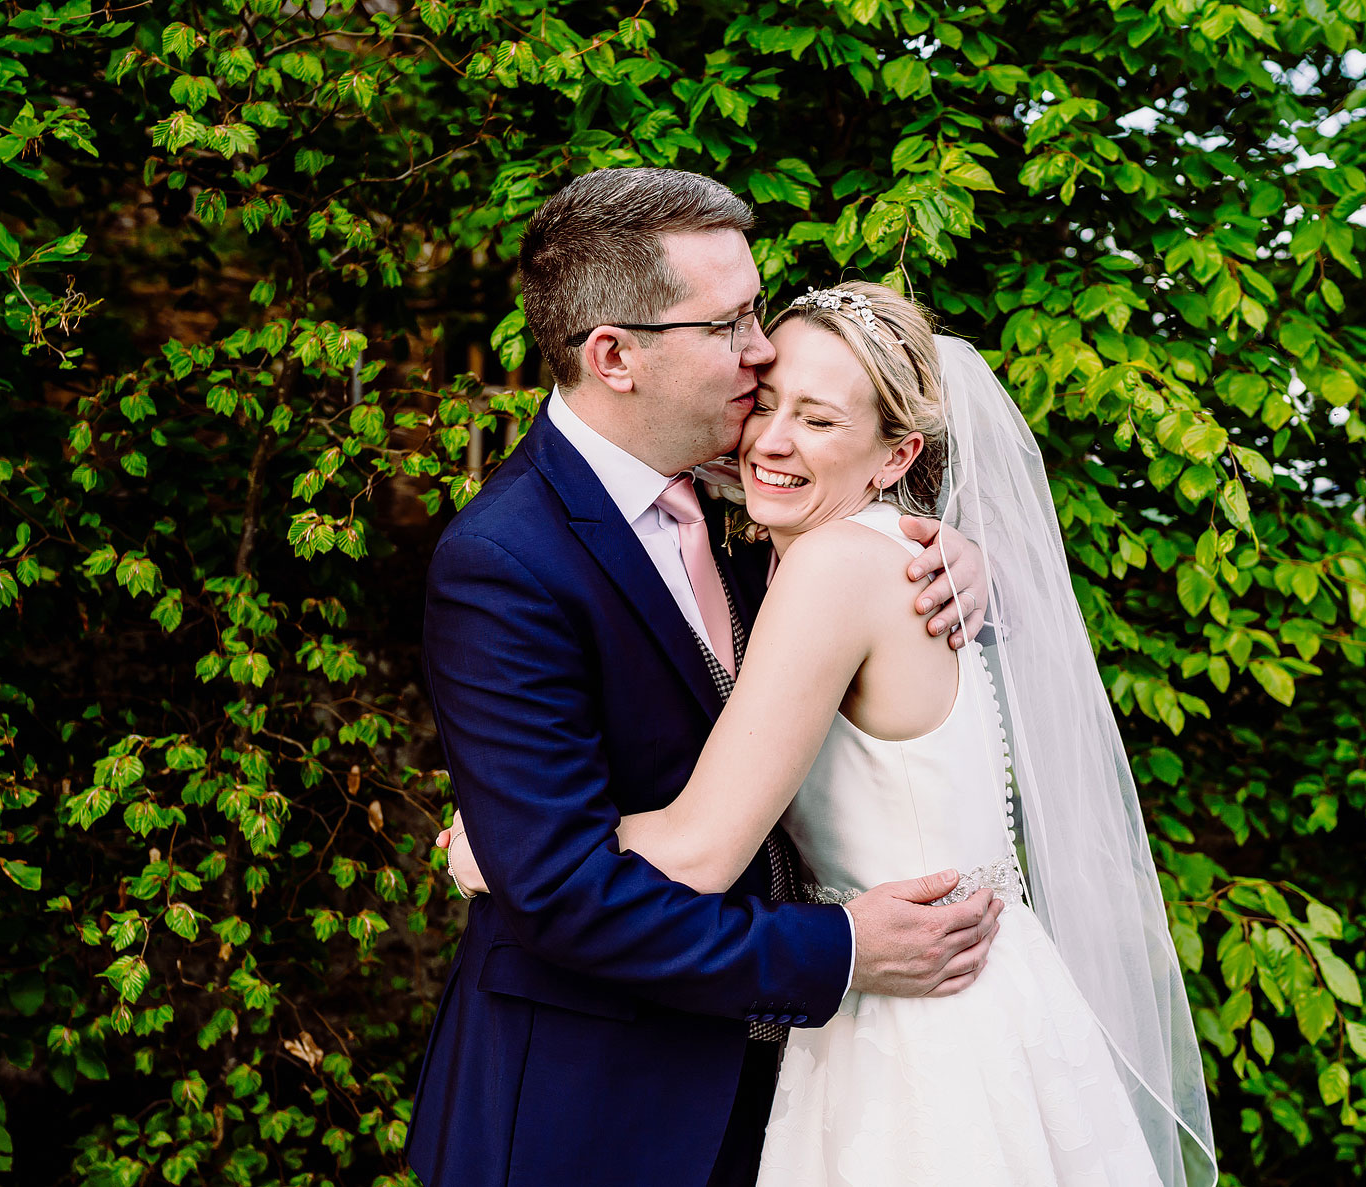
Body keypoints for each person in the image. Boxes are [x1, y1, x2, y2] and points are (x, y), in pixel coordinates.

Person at [444, 281, 1221, 1186]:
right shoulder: (890, 555)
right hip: (979, 1002)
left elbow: (698, 850)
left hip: (912, 1027)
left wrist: (509, 846)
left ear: (897, 455)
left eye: (818, 420)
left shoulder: (832, 569)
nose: (772, 440)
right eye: (764, 404)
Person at [405, 170, 1001, 1187]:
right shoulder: (503, 564)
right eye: (729, 325)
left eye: (756, 312)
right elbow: (567, 894)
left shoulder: (761, 505)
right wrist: (840, 949)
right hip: (591, 1109)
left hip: (796, 1091)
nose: (760, 348)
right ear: (614, 355)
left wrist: (969, 554)